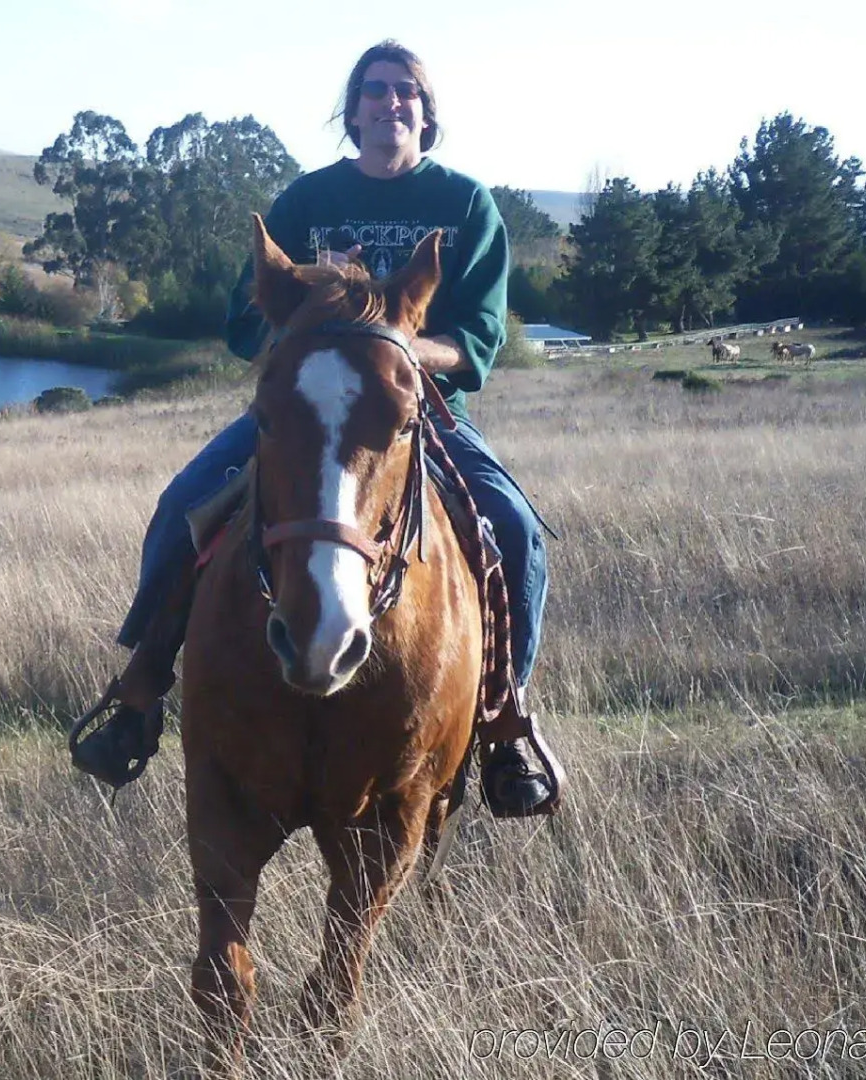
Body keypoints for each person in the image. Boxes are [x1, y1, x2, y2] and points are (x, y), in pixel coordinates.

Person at [69, 40, 561, 817]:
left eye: (405, 92)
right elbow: (243, 320)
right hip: (303, 412)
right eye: (373, 91)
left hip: (417, 412)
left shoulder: (467, 206)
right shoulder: (306, 200)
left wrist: (388, 347)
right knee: (179, 509)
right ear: (353, 109)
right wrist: (308, 319)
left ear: (427, 115)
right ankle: (139, 693)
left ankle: (503, 724)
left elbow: (478, 343)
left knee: (518, 535)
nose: (389, 103)